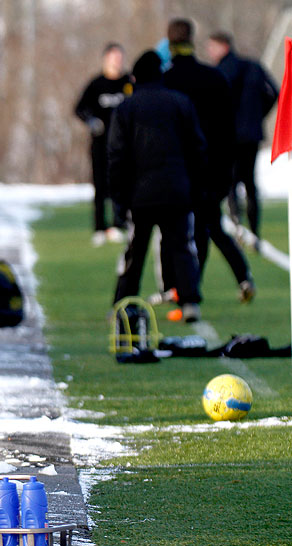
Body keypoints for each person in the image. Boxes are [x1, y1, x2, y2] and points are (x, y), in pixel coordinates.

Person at [108, 50, 206, 322]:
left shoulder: (126, 108)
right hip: (176, 190)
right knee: (181, 247)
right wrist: (196, 188)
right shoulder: (180, 103)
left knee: (134, 252)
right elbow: (197, 149)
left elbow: (116, 155)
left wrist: (119, 198)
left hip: (139, 195)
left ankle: (122, 303)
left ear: (136, 76)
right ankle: (189, 302)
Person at [164, 18, 255, 305]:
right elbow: (229, 130)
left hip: (179, 171)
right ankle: (238, 277)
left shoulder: (166, 80)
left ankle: (184, 290)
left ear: (169, 43)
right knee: (210, 226)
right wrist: (227, 170)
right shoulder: (215, 78)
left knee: (181, 234)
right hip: (212, 168)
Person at [206, 31, 279, 246]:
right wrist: (259, 115)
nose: (210, 52)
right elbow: (273, 92)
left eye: (212, 47)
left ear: (222, 46)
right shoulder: (254, 66)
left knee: (231, 180)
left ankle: (237, 223)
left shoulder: (221, 71)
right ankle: (255, 229)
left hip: (232, 135)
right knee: (250, 182)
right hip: (252, 134)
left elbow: (216, 103)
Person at [75, 42, 133, 246]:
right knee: (100, 186)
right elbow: (79, 108)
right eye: (113, 57)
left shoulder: (129, 82)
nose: (117, 61)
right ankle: (100, 227)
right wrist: (91, 121)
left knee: (123, 185)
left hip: (125, 146)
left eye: (120, 57)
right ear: (106, 59)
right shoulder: (96, 84)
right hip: (101, 145)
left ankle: (120, 223)